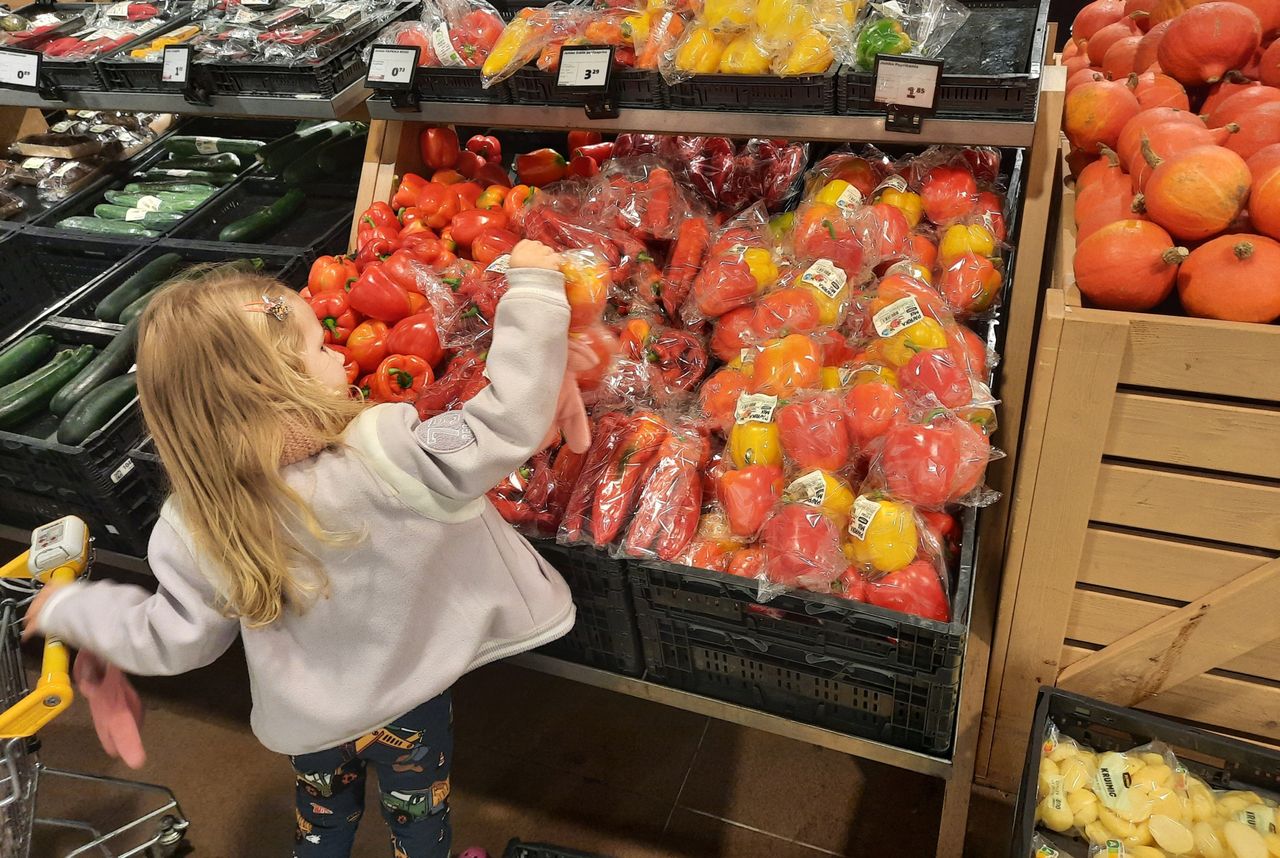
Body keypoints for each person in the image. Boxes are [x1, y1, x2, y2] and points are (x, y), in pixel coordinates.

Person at [23, 240, 577, 858]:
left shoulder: (198, 521)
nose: (339, 351)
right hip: (408, 703)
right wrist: (532, 289)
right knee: (419, 812)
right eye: (319, 347)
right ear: (278, 384)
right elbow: (506, 422)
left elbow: (173, 639)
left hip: (310, 719)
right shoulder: (390, 451)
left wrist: (70, 609)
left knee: (322, 814)